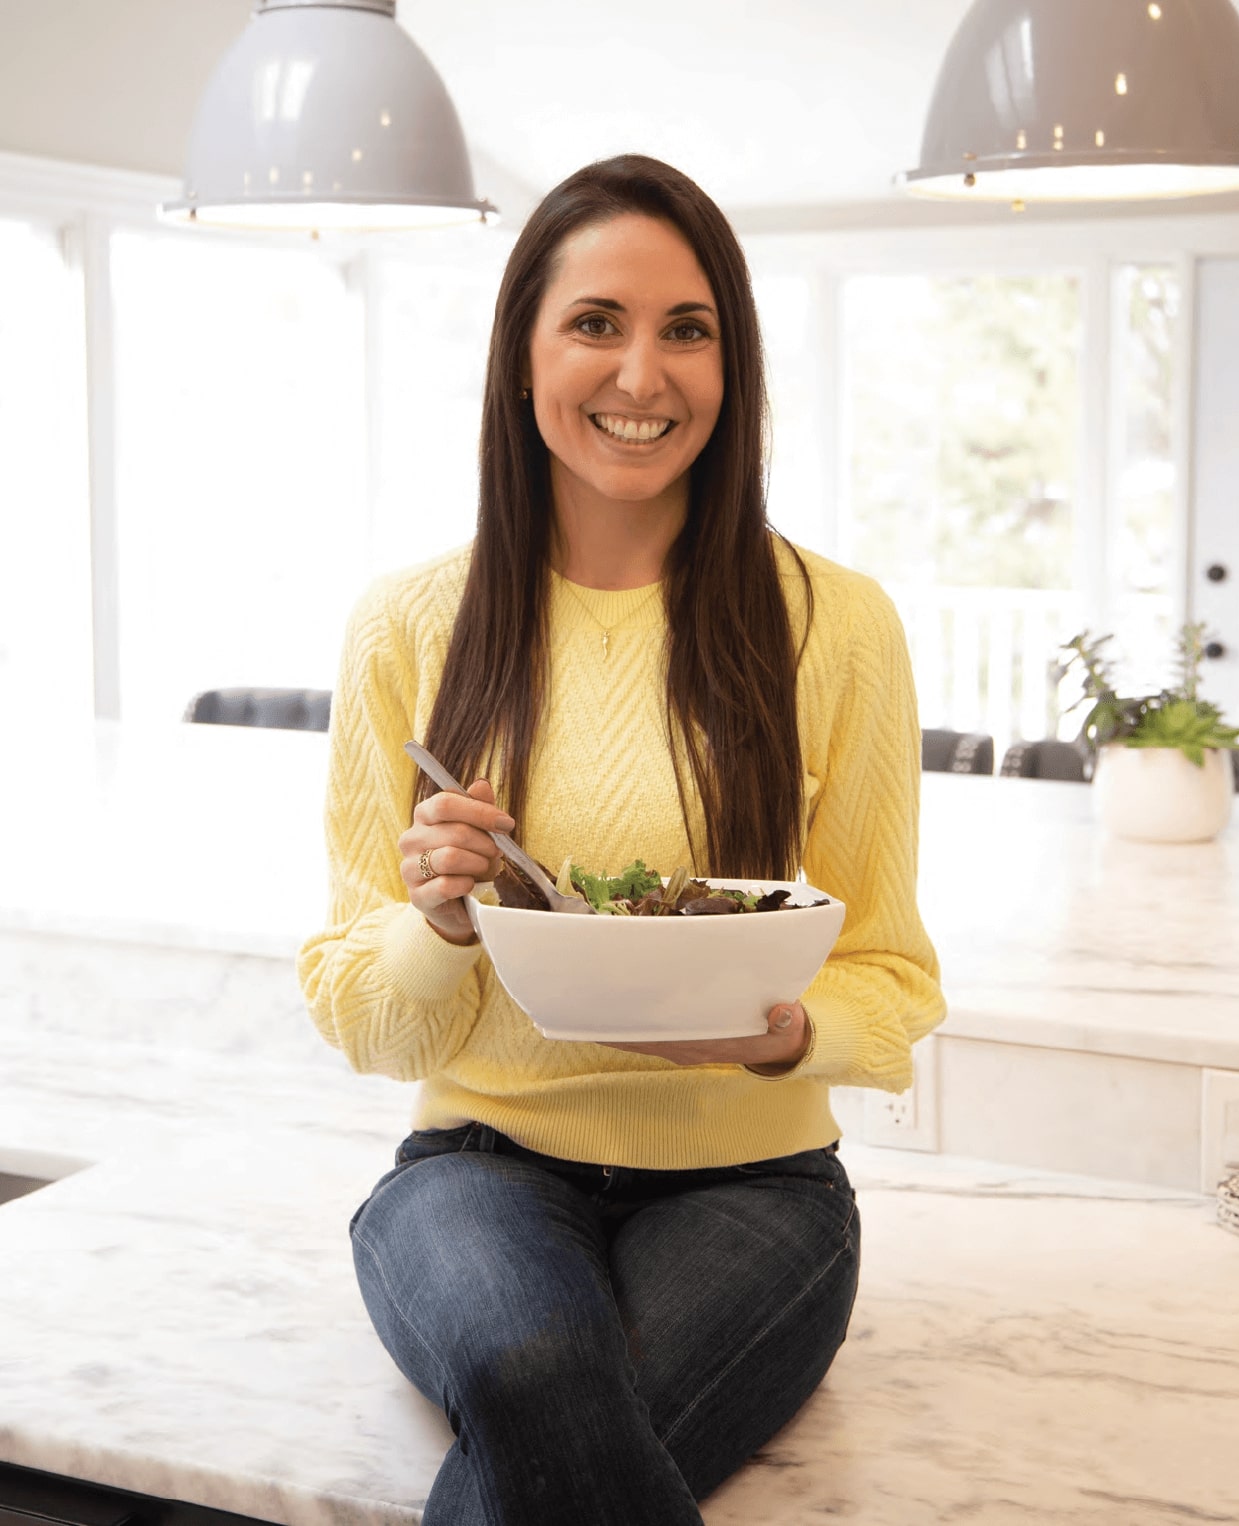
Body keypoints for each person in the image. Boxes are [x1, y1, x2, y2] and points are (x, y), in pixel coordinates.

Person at [297, 153, 944, 1525]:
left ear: (734, 364)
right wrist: (439, 925)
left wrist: (773, 1033)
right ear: (521, 355)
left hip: (756, 1183)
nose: (641, 374)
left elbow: (892, 983)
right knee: (539, 1368)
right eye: (596, 321)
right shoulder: (410, 624)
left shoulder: (838, 625)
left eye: (686, 329)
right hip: (477, 1167)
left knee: (565, 1424)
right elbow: (365, 1023)